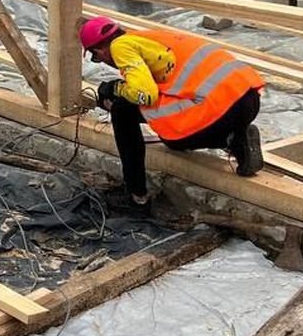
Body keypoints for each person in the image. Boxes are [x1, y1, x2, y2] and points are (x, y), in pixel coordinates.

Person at [80, 16, 266, 202]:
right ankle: (238, 139)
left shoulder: (119, 47)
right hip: (248, 99)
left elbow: (146, 95)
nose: (102, 61)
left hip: (219, 110)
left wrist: (115, 89)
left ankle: (136, 193)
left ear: (99, 50)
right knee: (171, 140)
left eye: (96, 58)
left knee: (122, 110)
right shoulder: (147, 38)